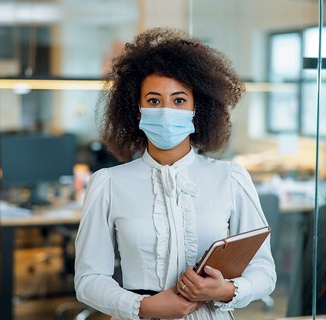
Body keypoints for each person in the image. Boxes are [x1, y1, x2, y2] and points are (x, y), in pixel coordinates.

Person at [74, 27, 276, 319]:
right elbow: (88, 281)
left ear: (198, 109)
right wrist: (144, 306)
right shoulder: (108, 183)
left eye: (179, 100)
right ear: (137, 110)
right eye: (154, 101)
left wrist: (225, 291)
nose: (166, 110)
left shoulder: (231, 178)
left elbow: (264, 271)